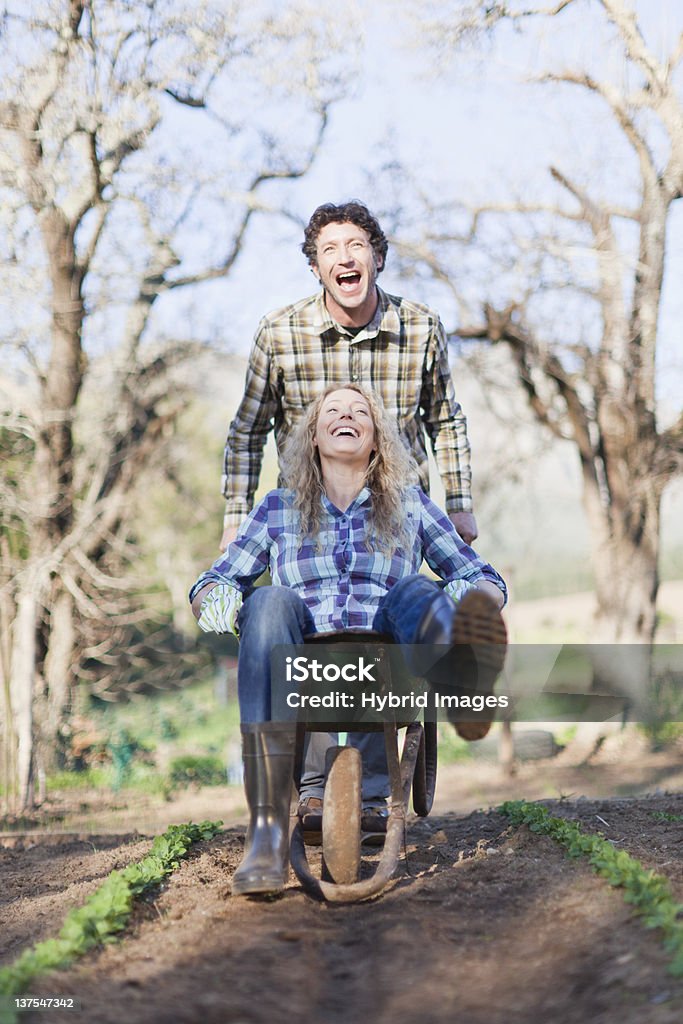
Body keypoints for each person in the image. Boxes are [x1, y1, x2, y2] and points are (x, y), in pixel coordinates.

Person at [219, 200, 480, 836]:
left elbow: (446, 419)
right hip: (305, 516)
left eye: (357, 245)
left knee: (385, 619)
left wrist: (459, 505)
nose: (345, 257)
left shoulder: (419, 328)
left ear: (378, 257)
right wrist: (234, 519)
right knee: (296, 628)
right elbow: (247, 431)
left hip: (392, 515)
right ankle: (300, 788)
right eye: (330, 248)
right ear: (315, 267)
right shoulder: (279, 334)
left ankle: (381, 764)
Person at [190, 384, 507, 896]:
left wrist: (479, 604)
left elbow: (477, 572)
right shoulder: (277, 508)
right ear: (313, 437)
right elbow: (215, 582)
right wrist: (223, 607)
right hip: (303, 661)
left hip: (387, 654)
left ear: (377, 440)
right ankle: (266, 834)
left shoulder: (410, 504)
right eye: (332, 411)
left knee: (416, 591)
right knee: (268, 601)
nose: (346, 416)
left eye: (360, 412)